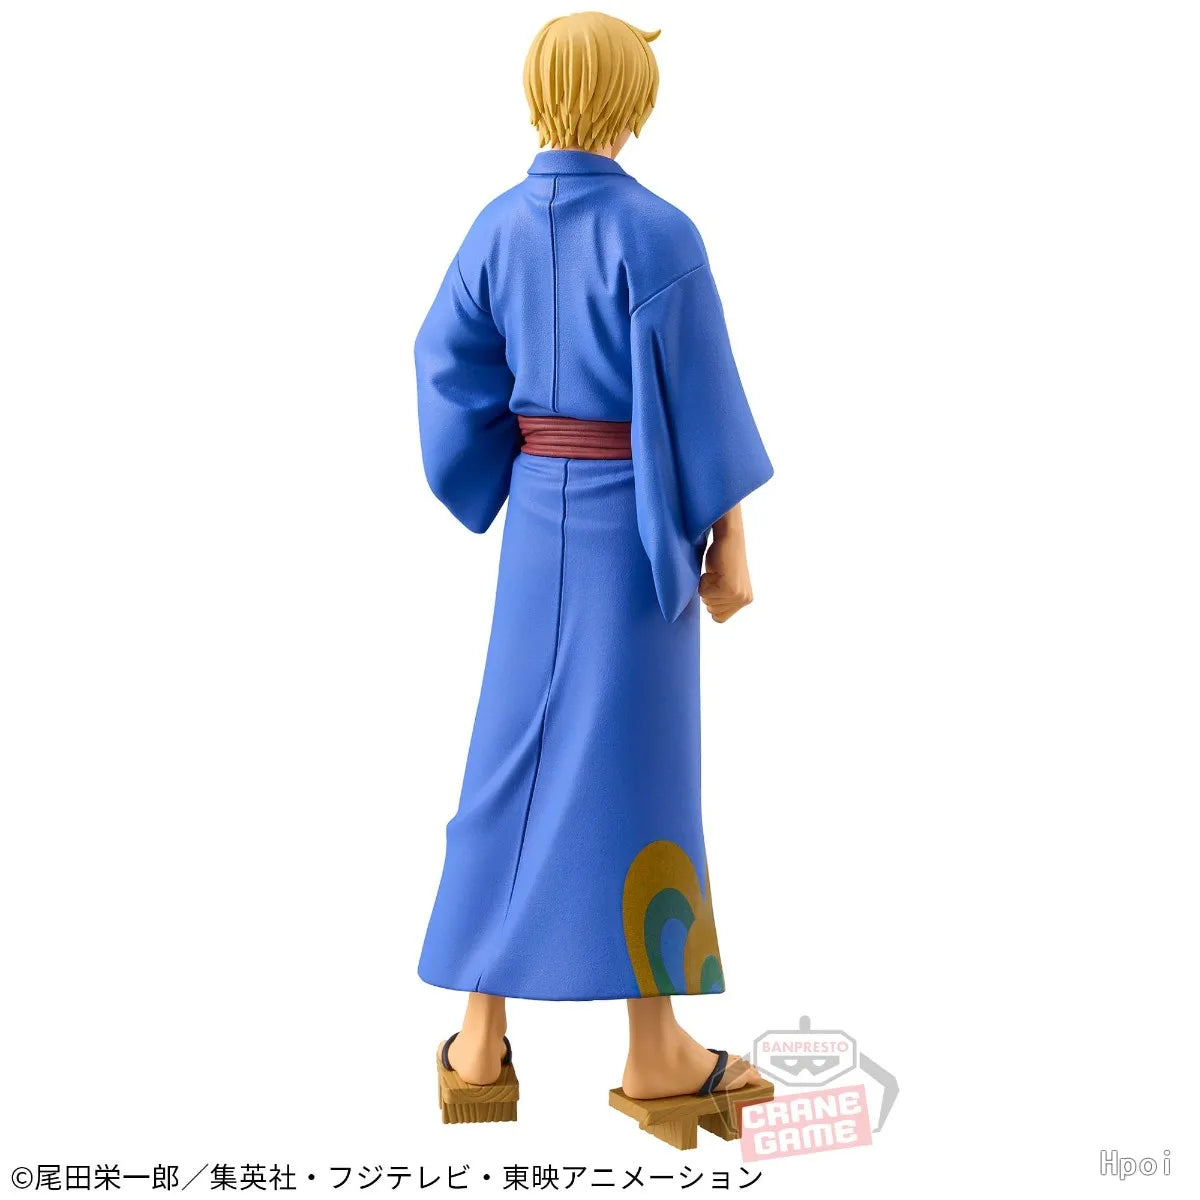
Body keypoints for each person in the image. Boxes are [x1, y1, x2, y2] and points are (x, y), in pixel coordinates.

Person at [415, 12, 773, 1129]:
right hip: (634, 535)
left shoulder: (494, 228)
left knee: (507, 769)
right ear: (631, 96)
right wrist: (728, 541)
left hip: (539, 525)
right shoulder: (657, 233)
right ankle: (656, 1051)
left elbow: (445, 363)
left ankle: (479, 1045)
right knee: (641, 774)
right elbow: (699, 399)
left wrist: (497, 463)